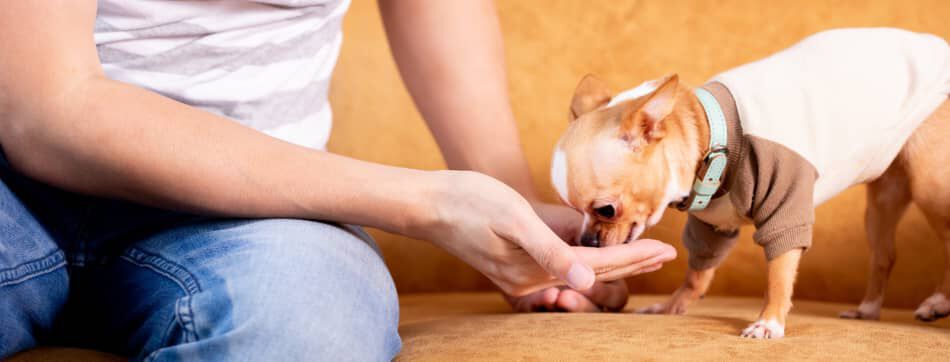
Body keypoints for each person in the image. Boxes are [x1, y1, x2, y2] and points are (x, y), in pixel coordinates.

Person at [0, 0, 674, 360]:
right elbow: (46, 111)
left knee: (307, 338)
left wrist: (515, 215)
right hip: (14, 194)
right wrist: (428, 201)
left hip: (265, 211)